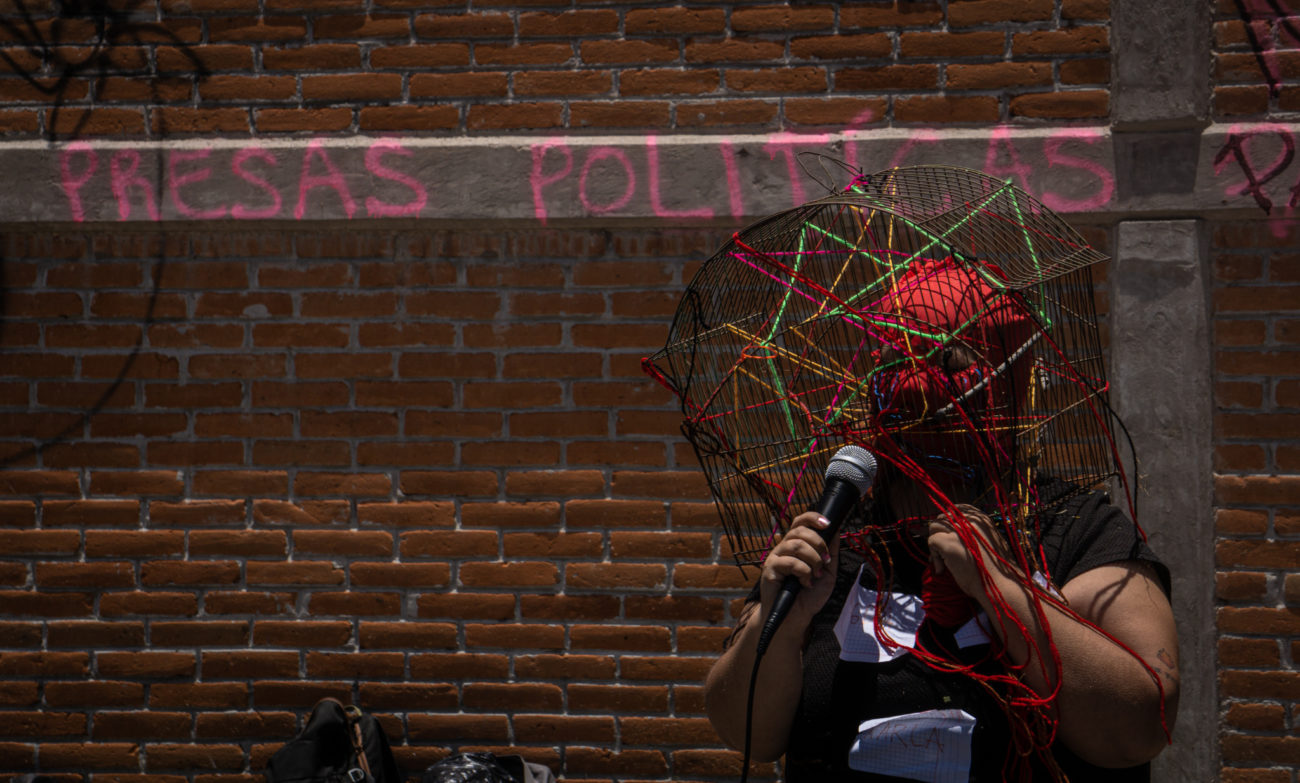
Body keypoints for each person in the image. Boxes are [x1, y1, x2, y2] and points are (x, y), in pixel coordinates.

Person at [702, 257, 1180, 782]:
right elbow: (746, 735)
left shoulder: (1078, 529)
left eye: (951, 369)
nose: (917, 387)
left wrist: (1001, 589)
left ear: (1003, 399)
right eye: (896, 363)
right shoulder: (834, 540)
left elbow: (1138, 731)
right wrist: (783, 619)